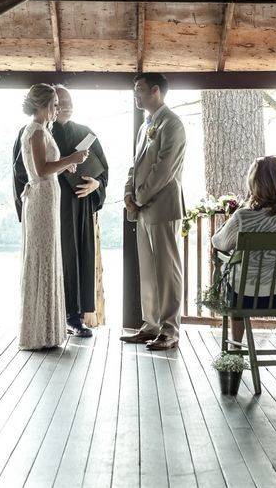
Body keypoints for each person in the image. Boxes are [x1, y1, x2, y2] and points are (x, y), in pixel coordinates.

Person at [16, 84, 88, 350]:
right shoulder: (35, 131)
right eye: (55, 104)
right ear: (42, 105)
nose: (58, 109)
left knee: (48, 259)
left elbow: (49, 168)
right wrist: (70, 158)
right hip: (42, 199)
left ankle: (47, 330)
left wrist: (69, 164)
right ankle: (38, 332)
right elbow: (42, 169)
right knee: (42, 260)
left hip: (48, 197)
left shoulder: (41, 131)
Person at [120, 73, 186, 351]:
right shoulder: (144, 126)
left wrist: (140, 197)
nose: (135, 95)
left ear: (156, 91)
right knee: (147, 270)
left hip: (163, 207)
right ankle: (150, 325)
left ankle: (170, 330)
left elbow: (164, 169)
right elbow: (136, 165)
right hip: (144, 207)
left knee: (167, 271)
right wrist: (128, 193)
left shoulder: (172, 124)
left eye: (139, 90)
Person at [211, 156, 276, 343]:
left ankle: (236, 348)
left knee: (231, 277)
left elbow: (219, 243)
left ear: (254, 183)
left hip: (248, 297)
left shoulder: (244, 216)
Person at [49, 86, 109, 338]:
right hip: (53, 206)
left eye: (70, 100)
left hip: (81, 205)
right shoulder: (40, 132)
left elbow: (103, 170)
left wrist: (97, 185)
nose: (66, 104)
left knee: (79, 259)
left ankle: (76, 317)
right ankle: (52, 316)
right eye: (61, 101)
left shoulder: (85, 132)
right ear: (51, 103)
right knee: (58, 259)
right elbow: (23, 172)